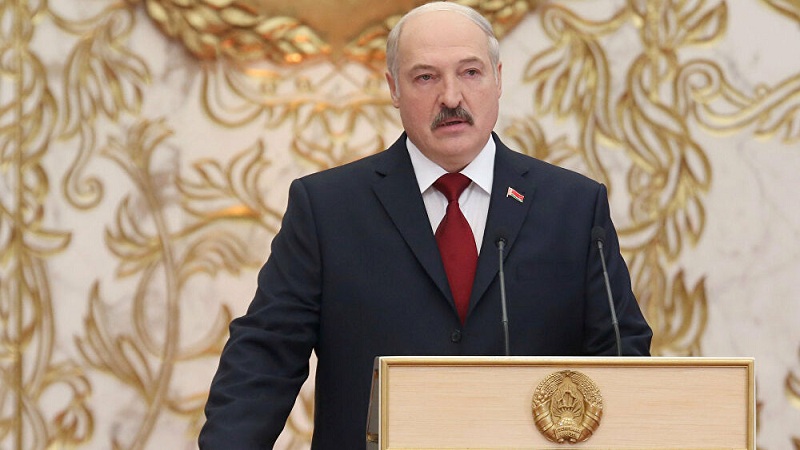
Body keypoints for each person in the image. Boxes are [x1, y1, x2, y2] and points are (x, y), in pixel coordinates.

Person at [198, 2, 652, 449]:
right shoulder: (327, 208)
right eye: (426, 77)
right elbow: (267, 354)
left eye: (470, 72)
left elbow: (620, 357)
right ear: (394, 88)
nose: (451, 98)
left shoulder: (573, 206)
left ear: (498, 79)